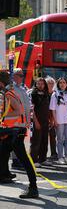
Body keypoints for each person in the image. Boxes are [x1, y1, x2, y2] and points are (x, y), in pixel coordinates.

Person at [0, 70, 39, 198]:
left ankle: (33, 188)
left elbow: (19, 110)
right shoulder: (8, 92)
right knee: (3, 151)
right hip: (12, 129)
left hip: (16, 130)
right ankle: (3, 174)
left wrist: (2, 116)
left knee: (24, 159)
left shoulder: (9, 93)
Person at [50, 78, 67, 165]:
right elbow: (53, 109)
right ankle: (60, 157)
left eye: (64, 82)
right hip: (59, 119)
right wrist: (55, 120)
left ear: (66, 84)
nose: (62, 84)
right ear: (58, 84)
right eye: (60, 83)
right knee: (60, 139)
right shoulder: (55, 94)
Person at [30, 77, 51, 167]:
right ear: (36, 84)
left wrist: (50, 119)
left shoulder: (46, 93)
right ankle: (33, 160)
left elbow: (48, 108)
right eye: (39, 83)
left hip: (45, 120)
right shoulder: (33, 93)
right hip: (37, 121)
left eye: (42, 83)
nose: (41, 85)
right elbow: (32, 109)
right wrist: (36, 121)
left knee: (44, 140)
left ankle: (43, 159)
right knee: (36, 141)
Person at [45, 76, 58, 160]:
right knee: (44, 137)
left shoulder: (56, 94)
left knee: (53, 136)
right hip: (44, 117)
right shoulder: (43, 93)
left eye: (52, 83)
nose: (51, 84)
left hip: (53, 117)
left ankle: (54, 153)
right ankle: (43, 154)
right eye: (49, 83)